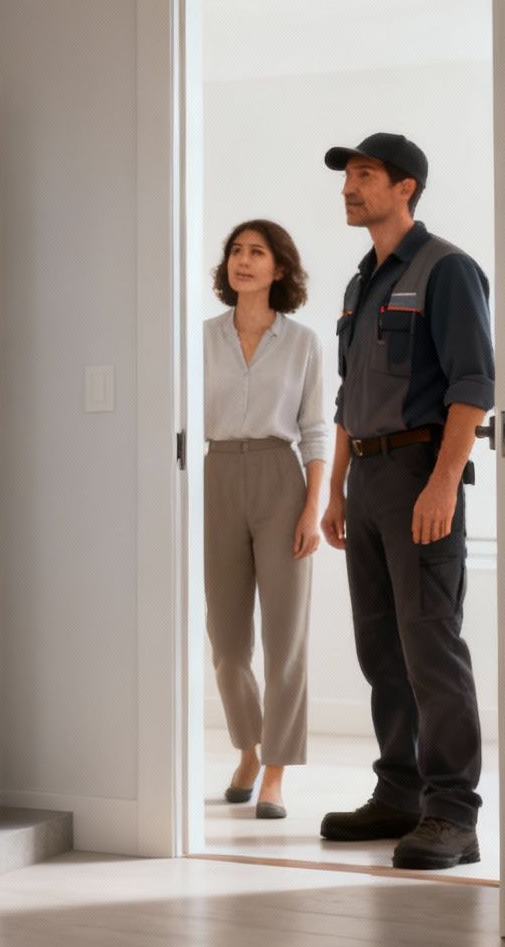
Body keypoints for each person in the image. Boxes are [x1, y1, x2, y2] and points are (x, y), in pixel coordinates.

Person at [317, 132, 495, 870]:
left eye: (365, 175)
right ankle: (399, 793)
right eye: (347, 176)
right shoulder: (361, 283)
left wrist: (444, 481)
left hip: (421, 473)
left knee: (431, 648)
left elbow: (473, 385)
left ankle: (452, 812)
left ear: (406, 187)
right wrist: (333, 488)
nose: (349, 188)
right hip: (365, 478)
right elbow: (347, 397)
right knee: (380, 647)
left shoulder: (446, 269)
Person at [202, 219, 330, 821]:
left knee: (286, 640)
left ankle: (275, 773)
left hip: (283, 480)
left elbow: (315, 428)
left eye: (257, 252)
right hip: (217, 475)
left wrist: (314, 504)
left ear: (280, 268)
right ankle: (248, 750)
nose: (243, 261)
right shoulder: (199, 338)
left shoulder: (302, 342)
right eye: (236, 251)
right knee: (227, 645)